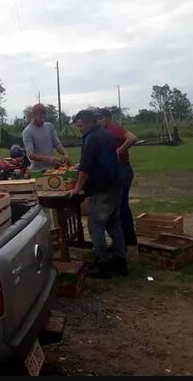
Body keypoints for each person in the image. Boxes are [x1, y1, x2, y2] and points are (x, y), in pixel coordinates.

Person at [70, 109, 127, 278]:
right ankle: (120, 261)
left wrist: (77, 188)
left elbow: (86, 168)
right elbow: (102, 158)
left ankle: (103, 264)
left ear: (87, 122)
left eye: (80, 125)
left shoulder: (92, 137)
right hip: (115, 184)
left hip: (102, 188)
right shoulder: (104, 134)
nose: (79, 128)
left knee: (95, 225)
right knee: (113, 223)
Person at [95, 108, 139, 246]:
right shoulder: (102, 133)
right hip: (116, 170)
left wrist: (119, 151)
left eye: (100, 118)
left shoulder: (115, 128)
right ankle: (127, 238)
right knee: (120, 205)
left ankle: (126, 239)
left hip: (122, 170)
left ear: (108, 118)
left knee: (120, 205)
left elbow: (133, 138)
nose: (98, 121)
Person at [22, 104, 70, 171]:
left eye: (44, 117)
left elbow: (57, 144)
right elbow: (31, 154)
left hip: (52, 168)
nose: (43, 120)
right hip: (37, 170)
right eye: (40, 117)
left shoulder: (49, 126)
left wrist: (65, 154)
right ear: (33, 116)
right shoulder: (27, 132)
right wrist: (47, 159)